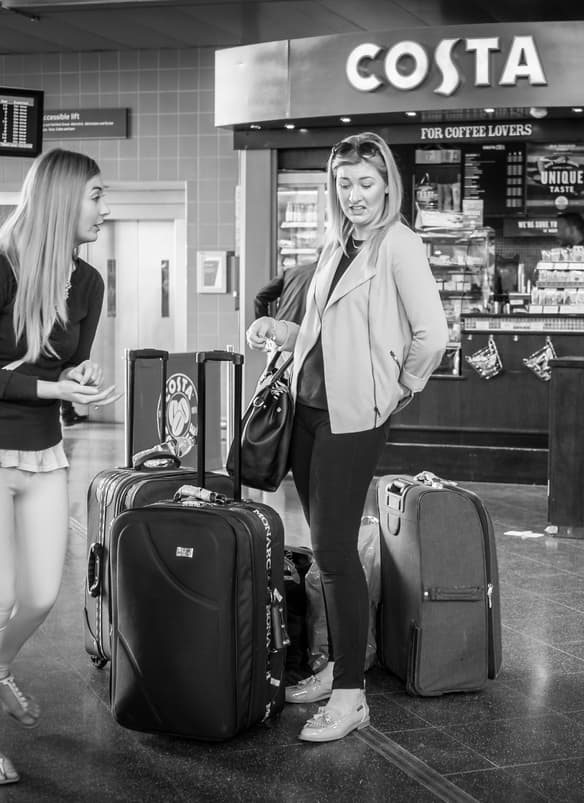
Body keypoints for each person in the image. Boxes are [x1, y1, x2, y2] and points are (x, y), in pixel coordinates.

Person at [246, 132, 448, 743]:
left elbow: (432, 335)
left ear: (388, 183)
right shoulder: (338, 244)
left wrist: (396, 391)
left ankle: (351, 696)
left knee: (333, 551)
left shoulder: (398, 245)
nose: (354, 194)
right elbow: (316, 327)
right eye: (343, 183)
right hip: (307, 410)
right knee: (326, 545)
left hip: (351, 417)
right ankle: (339, 667)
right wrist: (280, 335)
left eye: (365, 183)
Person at [0, 149, 120, 786]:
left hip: (43, 450)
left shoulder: (89, 283)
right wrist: (52, 392)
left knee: (42, 594)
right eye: (96, 195)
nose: (104, 207)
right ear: (65, 199)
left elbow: (67, 365)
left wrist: (80, 377)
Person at [253, 260, 317, 326]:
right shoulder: (323, 277)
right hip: (304, 330)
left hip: (280, 327)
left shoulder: (290, 272)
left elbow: (260, 297)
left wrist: (265, 326)